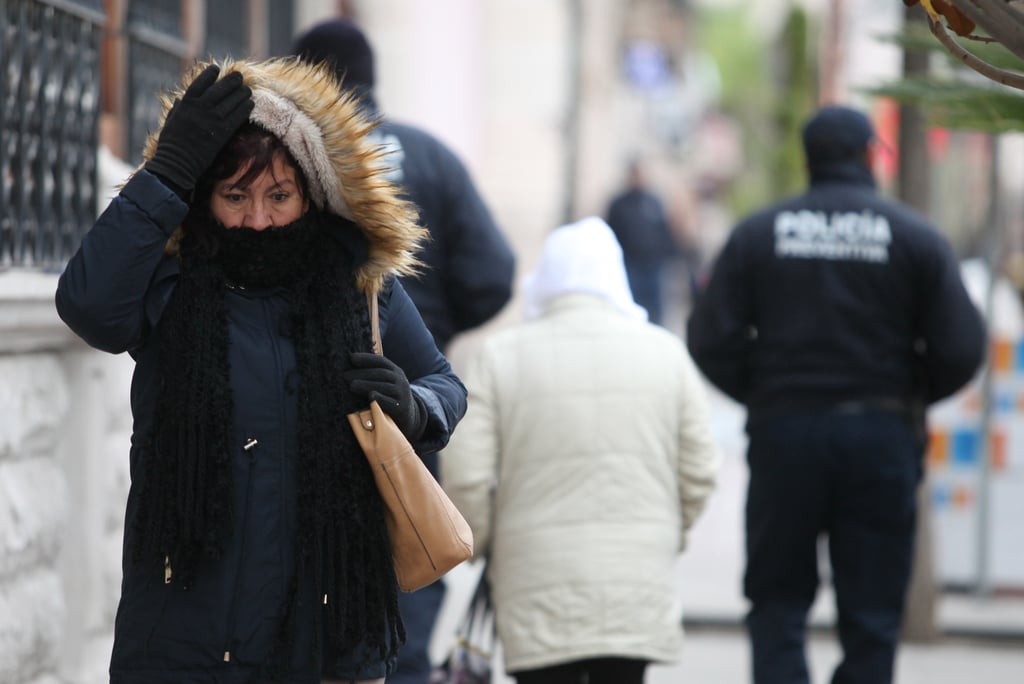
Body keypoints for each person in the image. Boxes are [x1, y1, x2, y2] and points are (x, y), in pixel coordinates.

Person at [55, 57, 467, 684]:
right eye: (235, 196)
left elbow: (445, 385)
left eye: (279, 195)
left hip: (326, 646)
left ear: (311, 193)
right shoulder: (169, 284)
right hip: (182, 645)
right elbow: (87, 306)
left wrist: (414, 407)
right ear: (204, 198)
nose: (257, 218)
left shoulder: (359, 286)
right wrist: (165, 173)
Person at [686, 105, 987, 684]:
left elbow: (709, 336)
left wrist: (763, 389)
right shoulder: (914, 236)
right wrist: (910, 390)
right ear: (871, 155)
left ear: (808, 159)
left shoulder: (760, 233)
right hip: (881, 437)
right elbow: (961, 345)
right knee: (873, 613)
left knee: (777, 601)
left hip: (786, 434)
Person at [290, 19, 516, 684]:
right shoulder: (430, 156)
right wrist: (432, 330)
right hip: (408, 397)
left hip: (311, 396)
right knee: (411, 554)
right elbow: (495, 271)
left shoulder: (294, 161)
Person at [441, 216, 721, 684]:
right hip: (637, 580)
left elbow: (466, 474)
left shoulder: (501, 356)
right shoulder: (667, 354)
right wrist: (667, 532)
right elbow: (701, 470)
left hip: (534, 581)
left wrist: (488, 544)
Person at [604, 159, 678, 325]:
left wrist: (666, 253)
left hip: (652, 264)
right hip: (630, 263)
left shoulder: (654, 202)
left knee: (655, 310)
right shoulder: (619, 204)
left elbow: (664, 230)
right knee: (631, 305)